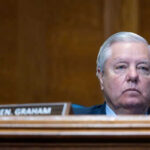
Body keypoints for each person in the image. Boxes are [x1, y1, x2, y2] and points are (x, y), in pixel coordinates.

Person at [72, 32, 150, 116]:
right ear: (101, 76)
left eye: (143, 68)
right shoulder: (71, 121)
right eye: (121, 67)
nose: (133, 75)